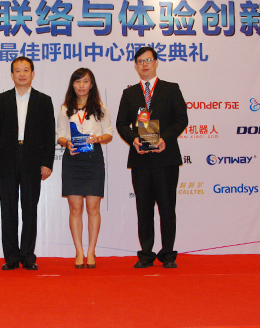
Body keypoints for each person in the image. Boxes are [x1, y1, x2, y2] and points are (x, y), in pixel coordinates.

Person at [116, 46, 188, 269]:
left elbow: (182, 119)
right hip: (141, 159)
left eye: (148, 60)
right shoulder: (129, 93)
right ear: (135, 66)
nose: (144, 64)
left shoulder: (171, 89)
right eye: (140, 61)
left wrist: (164, 138)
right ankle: (146, 254)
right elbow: (121, 123)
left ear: (156, 62)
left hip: (166, 158)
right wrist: (134, 139)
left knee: (167, 208)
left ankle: (168, 254)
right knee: (144, 209)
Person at [0, 56, 55, 271]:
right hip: (6, 159)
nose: (22, 74)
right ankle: (11, 257)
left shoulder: (44, 100)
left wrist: (47, 162)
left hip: (32, 159)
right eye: (18, 70)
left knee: (29, 209)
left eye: (26, 70)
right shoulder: (1, 99)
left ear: (33, 74)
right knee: (8, 210)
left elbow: (49, 135)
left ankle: (27, 256)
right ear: (12, 75)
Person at [56, 68, 113, 269]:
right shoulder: (65, 108)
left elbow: (109, 133)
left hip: (93, 158)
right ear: (72, 85)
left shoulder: (100, 107)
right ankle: (79, 251)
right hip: (72, 160)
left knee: (93, 208)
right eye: (77, 81)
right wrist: (66, 143)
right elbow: (60, 135)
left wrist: (99, 138)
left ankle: (91, 251)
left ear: (91, 84)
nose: (81, 85)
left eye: (85, 81)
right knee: (75, 208)